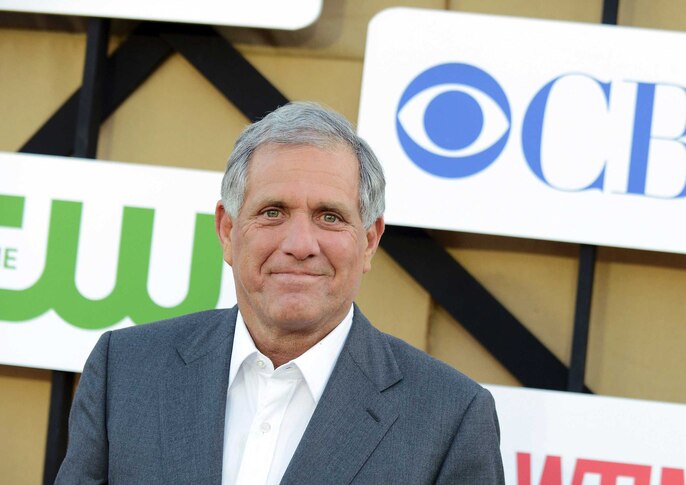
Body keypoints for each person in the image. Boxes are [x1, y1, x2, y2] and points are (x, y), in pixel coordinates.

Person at [55, 102, 504, 484]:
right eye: (273, 212)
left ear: (369, 241)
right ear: (228, 231)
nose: (300, 245)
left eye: (330, 216)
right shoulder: (126, 371)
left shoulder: (451, 417)